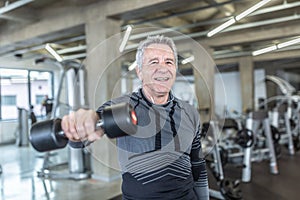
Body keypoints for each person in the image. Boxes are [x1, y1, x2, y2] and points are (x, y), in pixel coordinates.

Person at [61, 35, 209, 200]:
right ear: (140, 72)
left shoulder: (190, 112)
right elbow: (80, 139)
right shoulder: (122, 107)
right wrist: (81, 125)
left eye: (169, 62)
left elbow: (198, 165)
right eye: (153, 62)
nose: (163, 69)